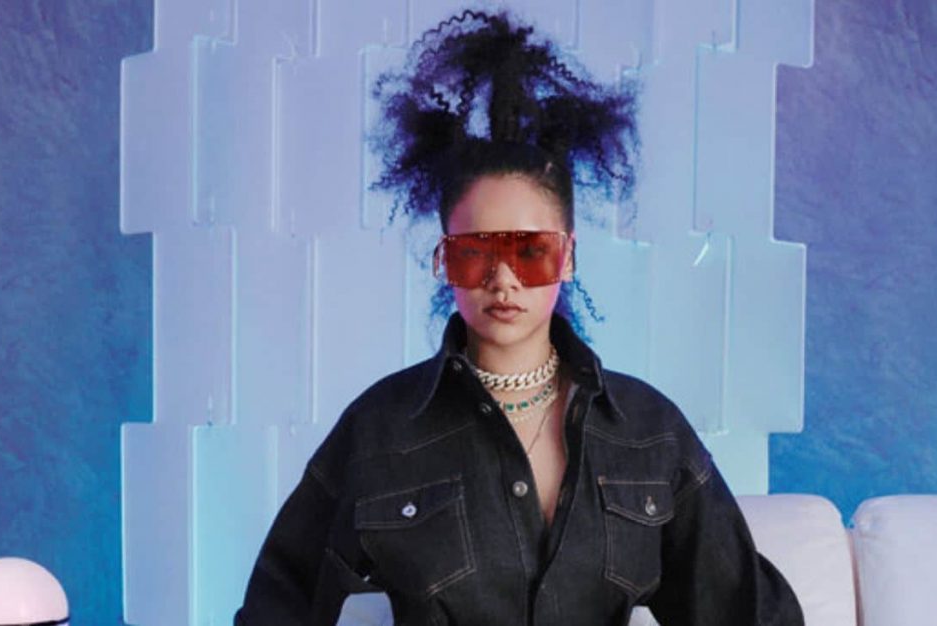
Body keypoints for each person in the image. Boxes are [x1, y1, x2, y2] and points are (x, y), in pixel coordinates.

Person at [235, 10, 803, 626]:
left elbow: (752, 613)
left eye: (530, 251)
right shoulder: (381, 429)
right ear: (441, 260)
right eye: (475, 252)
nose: (502, 279)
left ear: (569, 257)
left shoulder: (649, 433)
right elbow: (277, 604)